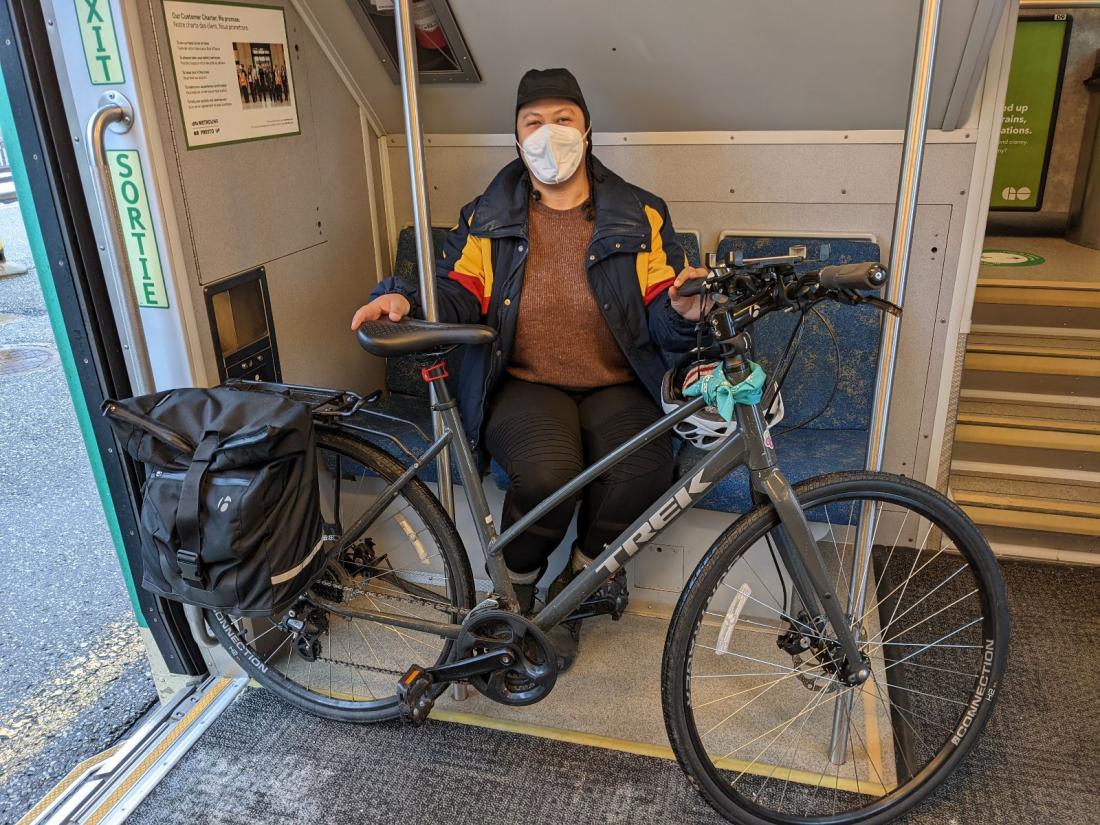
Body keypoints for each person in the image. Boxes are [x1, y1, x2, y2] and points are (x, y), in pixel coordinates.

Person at [350, 68, 708, 649]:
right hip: (523, 381)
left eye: (562, 120)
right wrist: (406, 296)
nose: (549, 134)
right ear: (516, 139)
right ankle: (516, 593)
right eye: (533, 123)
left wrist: (684, 312)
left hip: (619, 381)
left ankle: (579, 584)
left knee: (642, 470)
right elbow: (458, 292)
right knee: (548, 474)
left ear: (587, 128)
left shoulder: (640, 214)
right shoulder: (486, 216)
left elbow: (658, 321)